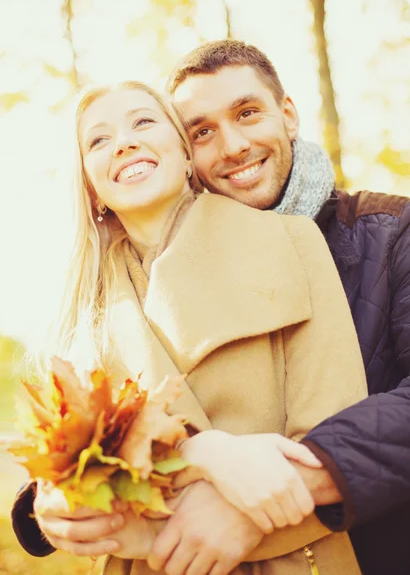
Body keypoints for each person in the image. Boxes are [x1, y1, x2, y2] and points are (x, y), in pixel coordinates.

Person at [11, 80, 368, 575]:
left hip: (293, 557)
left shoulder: (291, 241)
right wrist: (200, 453)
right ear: (91, 187)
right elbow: (88, 482)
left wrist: (162, 524)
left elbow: (334, 446)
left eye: (143, 121)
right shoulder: (81, 309)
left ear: (185, 155)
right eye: (98, 139)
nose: (124, 142)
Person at [164, 39, 410, 575]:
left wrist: (266, 497)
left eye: (248, 113)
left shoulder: (393, 232)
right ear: (185, 156)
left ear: (289, 115)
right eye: (201, 131)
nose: (232, 145)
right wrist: (46, 496)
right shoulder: (168, 276)